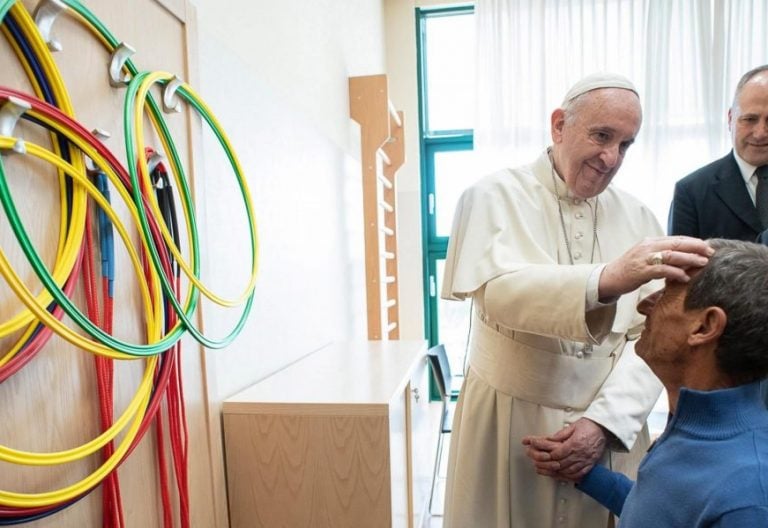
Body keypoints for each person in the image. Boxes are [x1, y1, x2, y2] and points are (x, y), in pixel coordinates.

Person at [440, 72, 714, 528]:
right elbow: (500, 295)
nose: (612, 158)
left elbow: (653, 338)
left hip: (608, 427)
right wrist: (607, 279)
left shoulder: (638, 215)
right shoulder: (490, 196)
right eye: (602, 136)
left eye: (625, 144)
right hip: (510, 423)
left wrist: (603, 424)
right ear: (559, 125)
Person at [525, 239, 768, 526]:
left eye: (667, 292)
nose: (643, 305)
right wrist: (589, 476)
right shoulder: (700, 428)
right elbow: (667, 509)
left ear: (705, 326)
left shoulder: (748, 498)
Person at [668, 65, 768, 242]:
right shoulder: (691, 192)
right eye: (749, 119)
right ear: (730, 119)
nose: (760, 133)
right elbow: (679, 259)